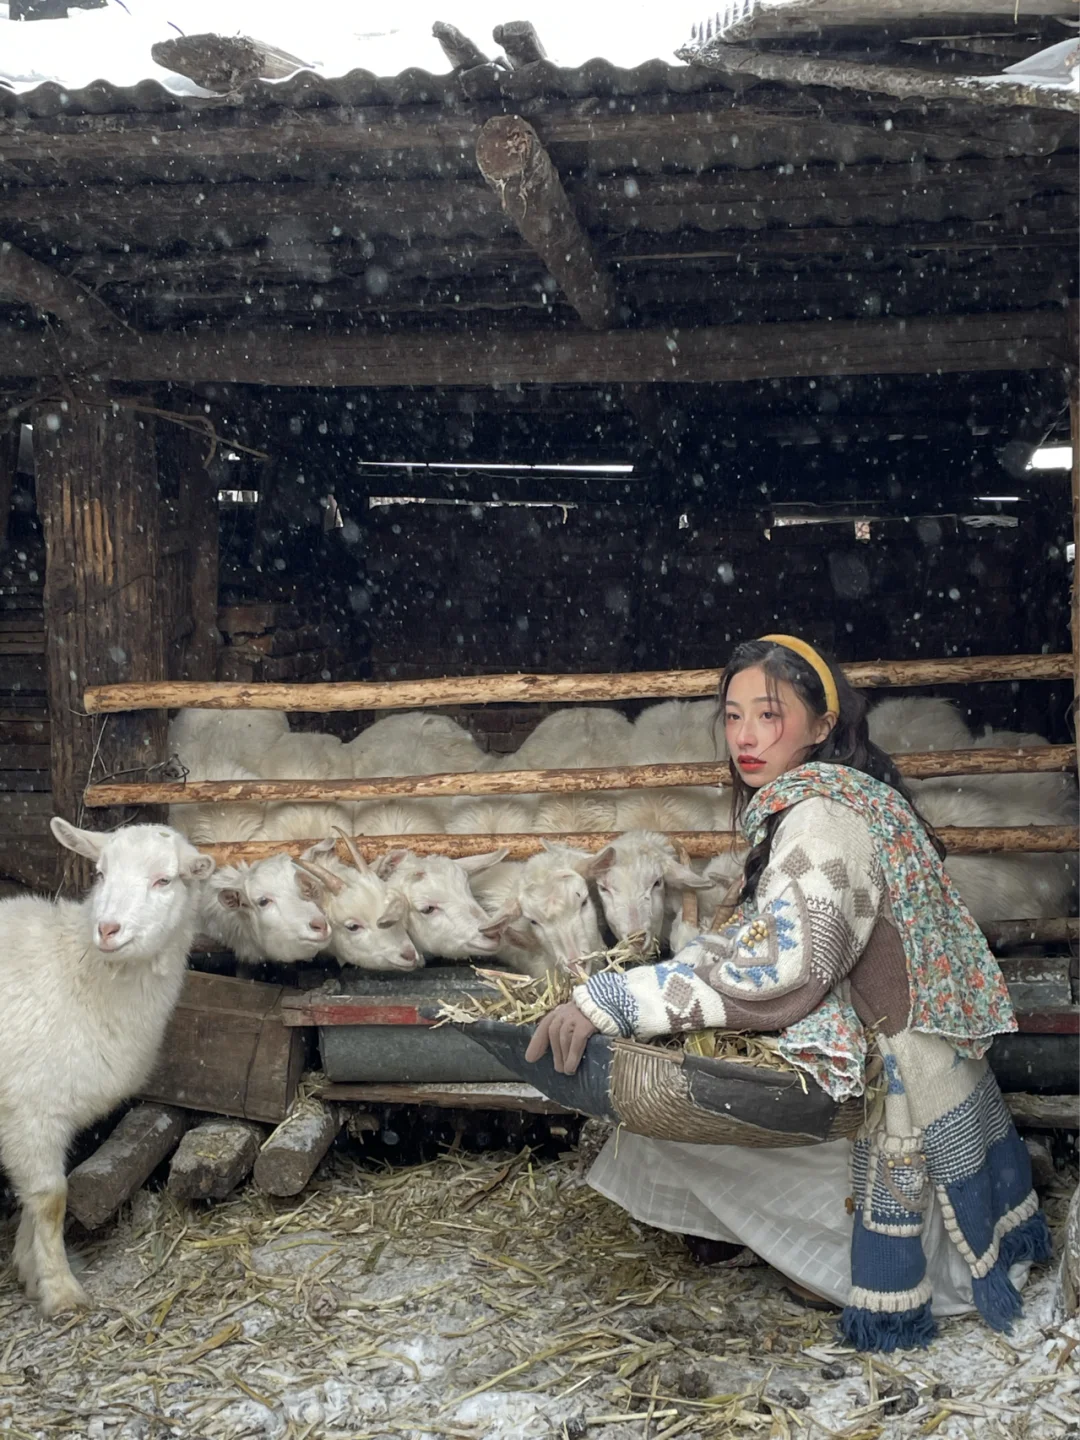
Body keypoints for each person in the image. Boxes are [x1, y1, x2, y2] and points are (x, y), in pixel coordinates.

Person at [526, 635, 1052, 1352]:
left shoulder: (822, 821)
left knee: (660, 1117)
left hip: (903, 1098)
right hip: (928, 1067)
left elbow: (786, 966)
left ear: (823, 724)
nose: (746, 736)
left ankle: (843, 1265)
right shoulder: (843, 797)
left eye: (769, 715)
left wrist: (616, 1001)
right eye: (733, 716)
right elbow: (765, 938)